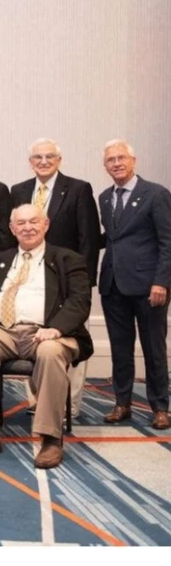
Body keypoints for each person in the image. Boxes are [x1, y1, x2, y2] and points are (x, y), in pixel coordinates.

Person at [0, 204, 93, 469]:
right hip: (5, 330)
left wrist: (56, 329)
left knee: (50, 351)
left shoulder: (68, 259)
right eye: (21, 223)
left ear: (46, 225)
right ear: (12, 229)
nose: (28, 228)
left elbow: (79, 301)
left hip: (50, 332)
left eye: (34, 221)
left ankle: (50, 438)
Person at [10, 137, 100, 415]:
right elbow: (16, 233)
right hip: (30, 277)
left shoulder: (78, 189)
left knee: (68, 338)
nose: (43, 161)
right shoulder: (19, 190)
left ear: (59, 160)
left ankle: (69, 404)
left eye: (49, 156)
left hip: (68, 281)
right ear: (30, 162)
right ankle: (37, 400)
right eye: (38, 157)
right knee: (32, 337)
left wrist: (83, 283)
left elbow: (89, 239)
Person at [98, 139, 171, 429]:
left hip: (148, 286)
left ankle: (160, 407)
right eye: (111, 160)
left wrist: (161, 282)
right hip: (113, 285)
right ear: (105, 166)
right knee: (120, 349)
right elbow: (112, 237)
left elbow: (167, 242)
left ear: (133, 161)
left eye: (121, 158)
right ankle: (122, 403)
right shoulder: (105, 197)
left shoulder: (155, 194)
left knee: (154, 349)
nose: (116, 163)